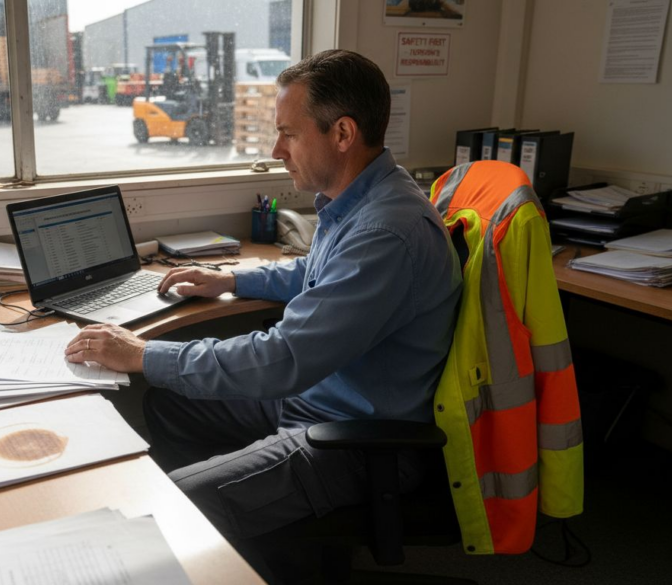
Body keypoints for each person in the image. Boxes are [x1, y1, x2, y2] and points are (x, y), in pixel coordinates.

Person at [65, 50, 462, 547]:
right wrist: (231, 281)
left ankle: (236, 529)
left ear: (342, 133)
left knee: (172, 503)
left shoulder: (385, 233)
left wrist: (143, 354)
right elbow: (317, 274)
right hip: (313, 397)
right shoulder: (365, 198)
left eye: (289, 134)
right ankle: (255, 534)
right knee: (168, 405)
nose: (277, 151)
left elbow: (282, 359)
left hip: (357, 438)